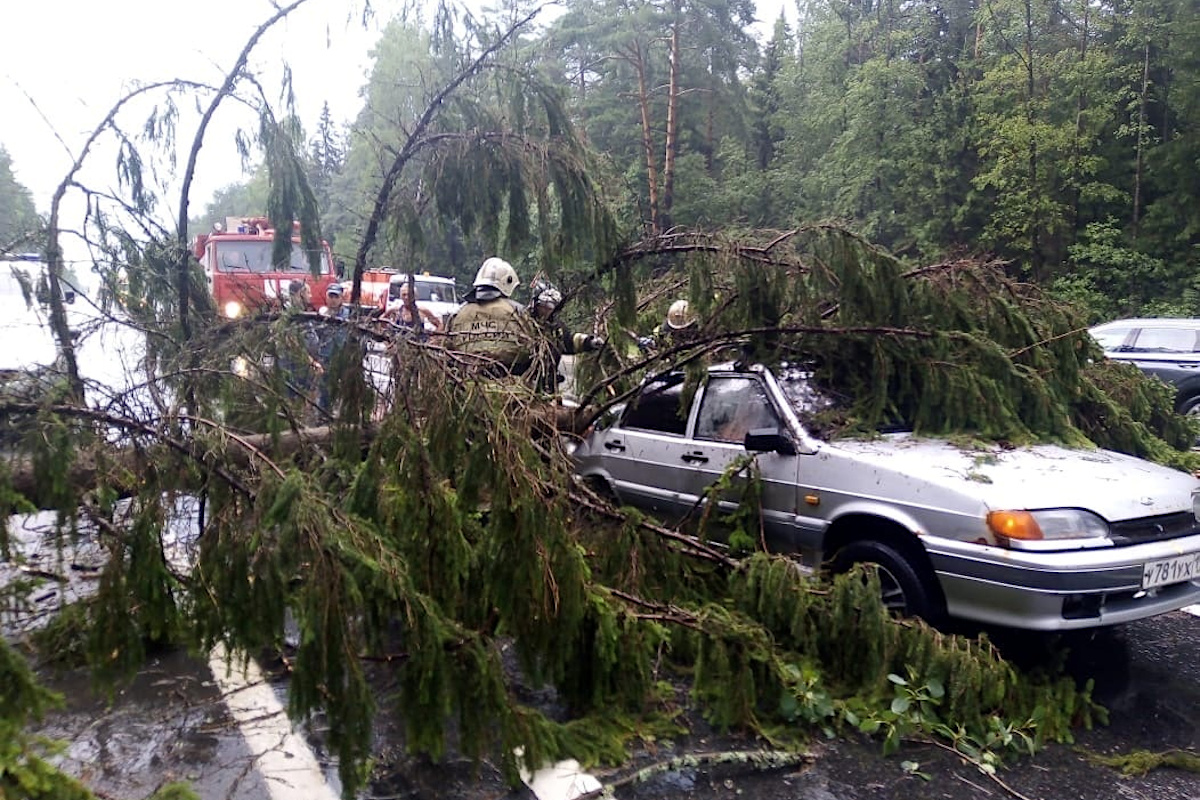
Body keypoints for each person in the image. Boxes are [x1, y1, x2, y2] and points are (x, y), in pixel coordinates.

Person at [445, 257, 538, 375]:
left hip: (468, 378)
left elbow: (448, 349)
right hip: (512, 379)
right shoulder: (517, 311)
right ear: (507, 282)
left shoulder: (458, 313)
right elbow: (532, 347)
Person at [529, 280, 604, 391]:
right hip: (526, 383)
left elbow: (569, 342)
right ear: (535, 303)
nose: (546, 311)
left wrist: (589, 342)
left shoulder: (556, 328)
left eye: (550, 307)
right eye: (543, 306)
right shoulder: (524, 323)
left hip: (549, 387)